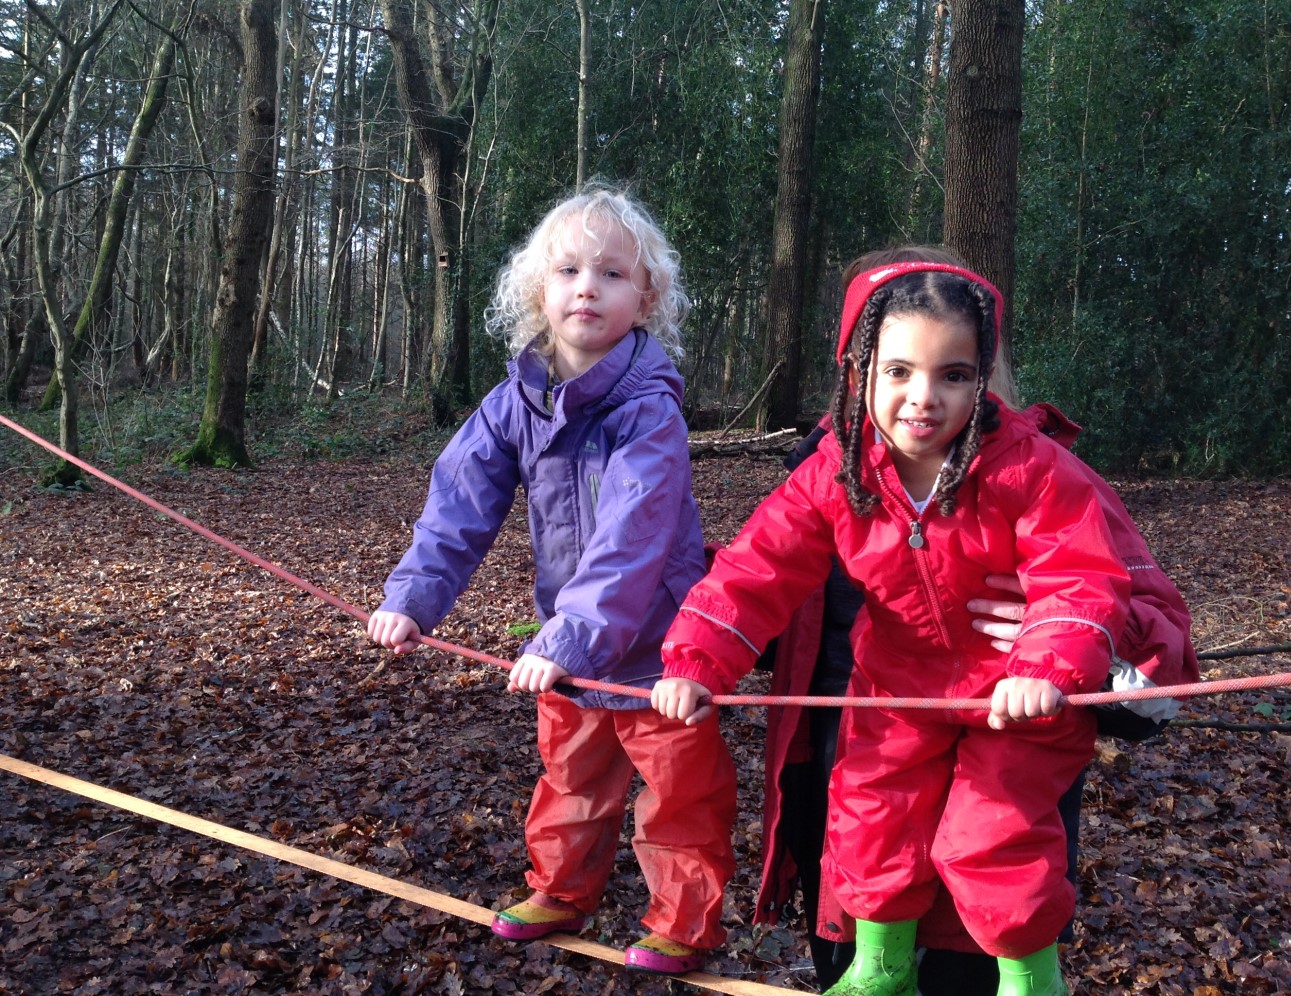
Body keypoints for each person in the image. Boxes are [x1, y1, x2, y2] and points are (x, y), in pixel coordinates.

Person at [652, 256, 1194, 996]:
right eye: (898, 371)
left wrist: (1048, 663)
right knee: (868, 814)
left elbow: (1081, 573)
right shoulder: (836, 472)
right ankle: (879, 967)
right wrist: (696, 659)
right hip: (897, 689)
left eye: (953, 375)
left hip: (1011, 699)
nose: (922, 397)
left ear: (983, 377)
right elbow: (757, 568)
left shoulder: (1032, 470)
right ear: (858, 372)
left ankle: (1032, 980)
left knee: (995, 835)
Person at [367, 186, 736, 975]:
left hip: (662, 648)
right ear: (540, 289)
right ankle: (562, 890)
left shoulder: (649, 410)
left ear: (647, 297)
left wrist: (567, 638)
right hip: (570, 650)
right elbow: (457, 507)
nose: (587, 287)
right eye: (568, 269)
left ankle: (684, 922)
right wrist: (411, 600)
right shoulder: (513, 404)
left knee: (679, 794)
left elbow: (632, 536)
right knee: (571, 778)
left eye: (611, 273)